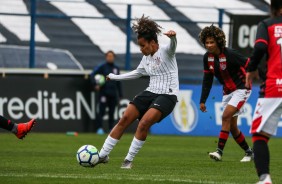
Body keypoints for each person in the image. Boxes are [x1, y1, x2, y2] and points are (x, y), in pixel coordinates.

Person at [94, 15, 179, 169]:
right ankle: (102, 155)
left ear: (153, 43)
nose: (141, 49)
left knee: (144, 123)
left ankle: (128, 161)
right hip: (150, 91)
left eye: (142, 45)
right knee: (125, 118)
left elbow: (173, 47)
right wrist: (114, 77)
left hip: (168, 94)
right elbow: (136, 73)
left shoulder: (167, 52)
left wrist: (173, 38)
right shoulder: (145, 59)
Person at [198, 25, 253, 162]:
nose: (209, 45)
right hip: (227, 91)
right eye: (207, 42)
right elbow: (207, 79)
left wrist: (260, 78)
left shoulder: (230, 54)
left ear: (218, 41)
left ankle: (219, 152)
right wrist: (203, 100)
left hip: (242, 88)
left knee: (226, 116)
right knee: (233, 127)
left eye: (212, 42)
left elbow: (249, 64)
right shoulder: (207, 58)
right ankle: (249, 152)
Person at [245, 0, 282, 183]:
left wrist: (251, 69)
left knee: (259, 135)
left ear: (275, 9)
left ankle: (265, 178)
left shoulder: (267, 24)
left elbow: (260, 47)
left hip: (275, 86)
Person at [90, 50, 122, 134]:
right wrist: (95, 84)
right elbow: (92, 74)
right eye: (108, 56)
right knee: (101, 111)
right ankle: (99, 128)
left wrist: (120, 95)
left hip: (113, 94)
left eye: (111, 56)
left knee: (112, 113)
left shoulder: (116, 68)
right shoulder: (102, 67)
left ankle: (111, 129)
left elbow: (119, 82)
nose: (110, 58)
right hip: (103, 93)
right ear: (106, 57)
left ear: (114, 57)